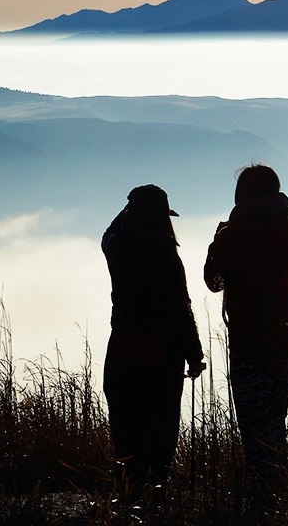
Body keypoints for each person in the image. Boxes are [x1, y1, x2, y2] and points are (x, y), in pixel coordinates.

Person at [204, 164, 288, 492]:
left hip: (249, 343)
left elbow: (213, 281)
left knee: (255, 430)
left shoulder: (233, 234)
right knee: (275, 422)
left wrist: (218, 239)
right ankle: (284, 494)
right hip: (286, 341)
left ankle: (265, 498)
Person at [102, 184, 206, 493]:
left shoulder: (118, 247)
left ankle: (127, 490)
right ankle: (157, 488)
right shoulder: (166, 253)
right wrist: (194, 352)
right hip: (165, 352)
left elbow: (107, 234)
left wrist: (126, 213)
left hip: (123, 346)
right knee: (161, 423)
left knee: (125, 422)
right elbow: (180, 306)